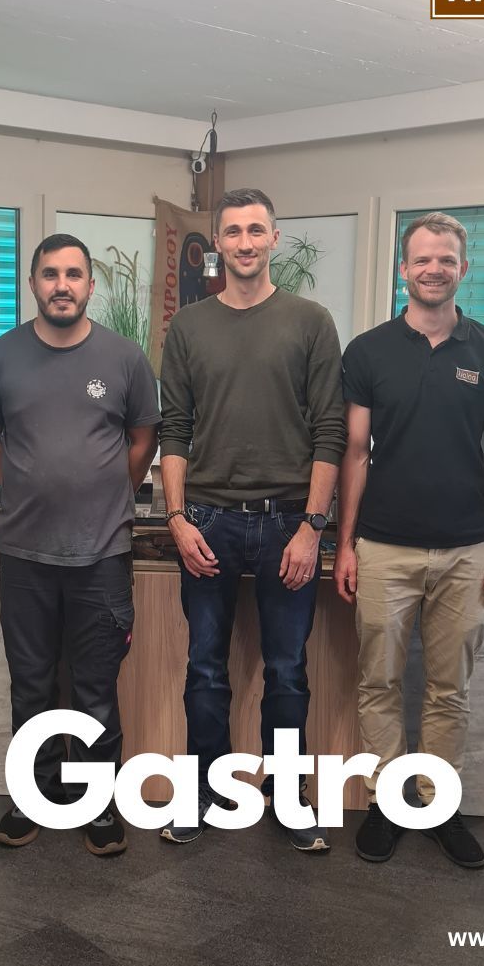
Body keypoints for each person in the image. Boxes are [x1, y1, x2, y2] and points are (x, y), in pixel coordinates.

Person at [336, 211, 484, 870]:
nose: (434, 269)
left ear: (462, 269)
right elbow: (354, 452)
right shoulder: (368, 352)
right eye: (422, 259)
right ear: (403, 269)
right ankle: (388, 803)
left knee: (449, 689)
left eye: (446, 259)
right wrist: (346, 544)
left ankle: (438, 804)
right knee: (379, 682)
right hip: (384, 547)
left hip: (467, 549)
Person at [159, 188, 346, 851]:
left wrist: (312, 527)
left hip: (287, 525)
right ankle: (204, 791)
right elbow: (174, 431)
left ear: (274, 238)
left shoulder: (311, 322)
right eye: (233, 231)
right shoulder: (189, 327)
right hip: (207, 520)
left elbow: (330, 432)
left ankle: (288, 796)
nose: (244, 242)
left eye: (255, 230)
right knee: (205, 668)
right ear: (217, 242)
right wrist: (177, 519)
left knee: (287, 670)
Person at [0, 233, 160, 856]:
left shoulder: (124, 358)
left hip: (102, 555)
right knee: (31, 685)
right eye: (50, 273)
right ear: (33, 283)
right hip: (24, 554)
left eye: (74, 274)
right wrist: (31, 483)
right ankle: (34, 797)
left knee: (95, 690)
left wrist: (102, 490)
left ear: (90, 286)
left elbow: (142, 442)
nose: (62, 285)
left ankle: (98, 804)